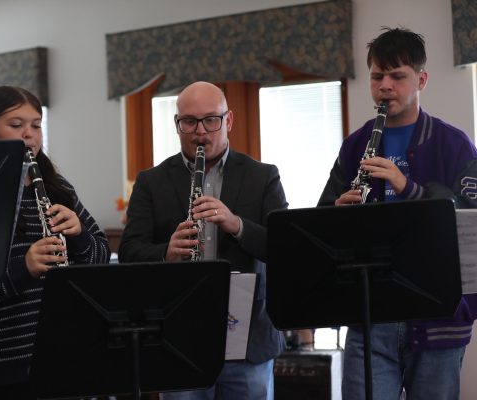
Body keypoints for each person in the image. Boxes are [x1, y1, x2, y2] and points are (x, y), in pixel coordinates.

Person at [318, 27, 477, 400]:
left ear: (421, 79)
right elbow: (321, 221)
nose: (385, 86)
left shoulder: (453, 143)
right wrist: (338, 212)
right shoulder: (355, 144)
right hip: (370, 316)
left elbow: (470, 218)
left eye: (397, 76)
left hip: (438, 317)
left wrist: (408, 189)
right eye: (377, 77)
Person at [119, 81, 288, 400]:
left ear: (229, 121)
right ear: (177, 124)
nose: (200, 131)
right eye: (189, 122)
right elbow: (129, 253)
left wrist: (236, 224)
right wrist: (167, 253)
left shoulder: (263, 176)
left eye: (211, 119)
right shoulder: (151, 182)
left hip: (247, 338)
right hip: (178, 337)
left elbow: (284, 248)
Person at [0, 85, 110, 399]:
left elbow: (101, 257)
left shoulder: (58, 187)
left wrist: (79, 236)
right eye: (16, 125)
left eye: (36, 125)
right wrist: (23, 267)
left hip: (63, 354)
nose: (30, 134)